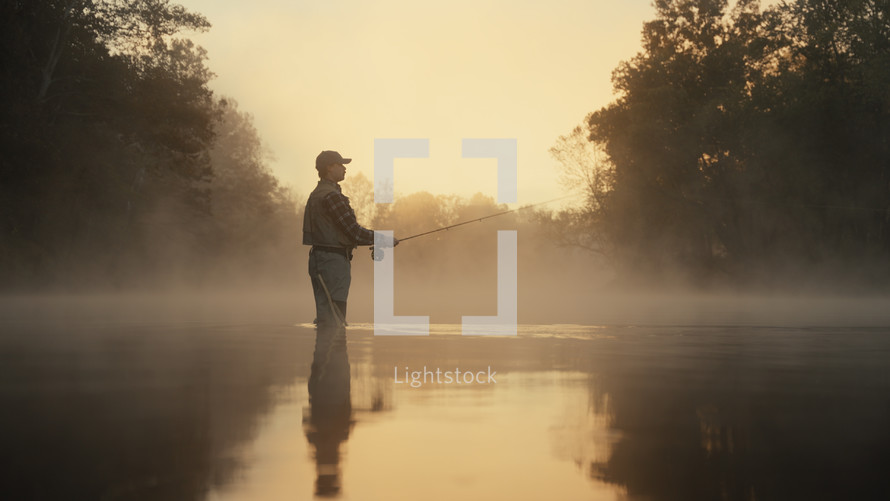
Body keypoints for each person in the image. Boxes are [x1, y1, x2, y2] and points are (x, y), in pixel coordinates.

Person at [303, 150, 397, 376]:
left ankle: (327, 375)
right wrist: (383, 239)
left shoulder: (318, 194)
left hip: (322, 260)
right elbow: (353, 232)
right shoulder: (331, 196)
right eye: (340, 164)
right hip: (332, 263)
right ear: (328, 168)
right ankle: (332, 374)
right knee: (335, 321)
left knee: (327, 317)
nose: (345, 168)